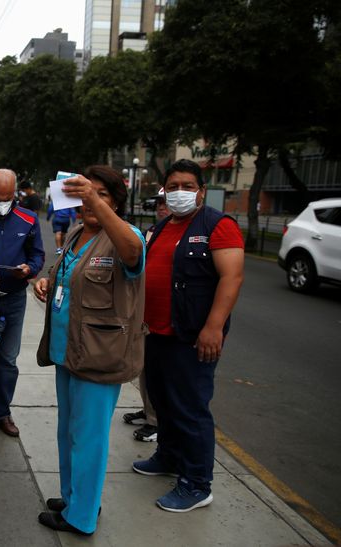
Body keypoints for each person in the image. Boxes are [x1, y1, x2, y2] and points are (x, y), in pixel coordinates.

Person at [33, 166, 146, 536]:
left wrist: (93, 197)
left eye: (102, 195)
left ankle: (81, 517)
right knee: (69, 432)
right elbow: (71, 275)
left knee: (90, 439)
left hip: (100, 355)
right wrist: (49, 281)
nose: (90, 202)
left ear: (115, 201)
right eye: (85, 195)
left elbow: (131, 256)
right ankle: (73, 498)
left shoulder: (126, 236)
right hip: (69, 351)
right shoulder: (79, 233)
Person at [132, 159, 244, 512]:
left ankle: (197, 483)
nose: (180, 191)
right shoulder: (165, 226)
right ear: (164, 190)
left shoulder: (218, 226)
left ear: (201, 190)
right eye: (173, 185)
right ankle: (168, 455)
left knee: (191, 409)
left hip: (192, 336)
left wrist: (213, 327)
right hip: (159, 332)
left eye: (188, 185)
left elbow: (232, 277)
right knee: (163, 401)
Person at [0, 169, 45, 437]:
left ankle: (1, 412)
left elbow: (37, 254)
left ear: (15, 193)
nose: (3, 203)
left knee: (8, 359)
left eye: (8, 197)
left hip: (14, 297)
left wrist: (30, 269)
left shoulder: (28, 218)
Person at [123, 187, 169, 442]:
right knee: (145, 367)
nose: (162, 207)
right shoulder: (153, 231)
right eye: (159, 202)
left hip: (168, 319)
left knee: (162, 373)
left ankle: (157, 421)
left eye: (166, 202)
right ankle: (149, 410)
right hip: (144, 313)